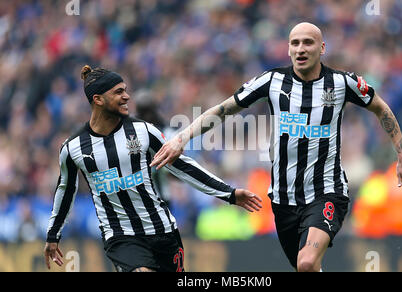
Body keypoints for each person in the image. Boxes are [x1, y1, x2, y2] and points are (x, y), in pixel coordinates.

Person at [150, 22, 402, 272]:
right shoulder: (272, 81)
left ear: (322, 48)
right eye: (295, 43)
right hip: (283, 199)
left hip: (327, 191)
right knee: (306, 267)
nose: (301, 49)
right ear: (288, 49)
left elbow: (380, 107)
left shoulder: (342, 83)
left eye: (308, 43)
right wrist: (181, 138)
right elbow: (224, 110)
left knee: (307, 263)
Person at [43, 65, 262, 272]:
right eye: (118, 92)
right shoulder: (73, 148)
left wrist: (229, 194)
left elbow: (182, 166)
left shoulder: (144, 131)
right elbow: (65, 189)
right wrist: (53, 234)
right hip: (121, 235)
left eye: (125, 91)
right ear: (98, 100)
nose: (127, 97)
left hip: (162, 231)